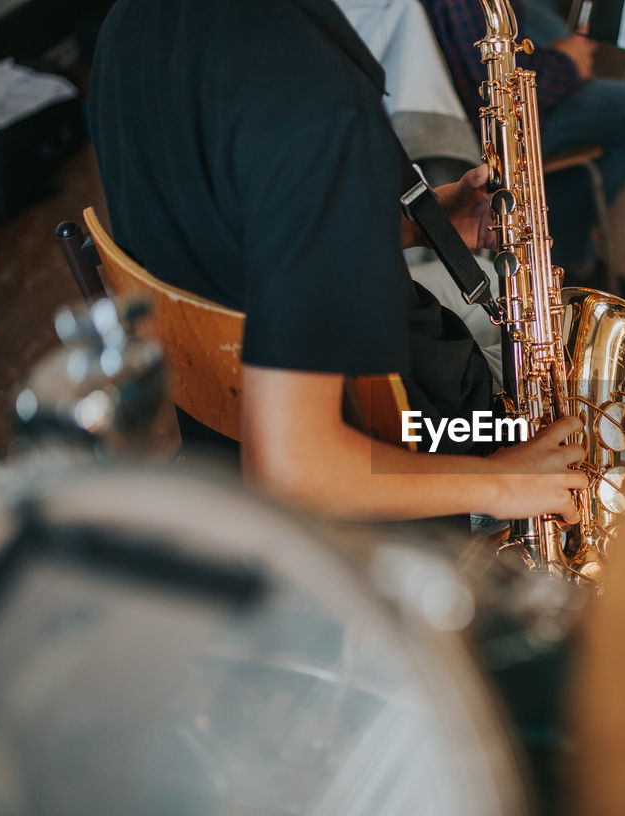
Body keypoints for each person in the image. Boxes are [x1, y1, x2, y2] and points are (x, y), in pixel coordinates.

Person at [89, 0, 587, 525]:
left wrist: (413, 224)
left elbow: (227, 232)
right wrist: (503, 485)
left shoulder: (128, 24)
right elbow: (295, 470)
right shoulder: (318, 99)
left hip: (218, 441)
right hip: (410, 442)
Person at [420, 0, 625, 291]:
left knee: (553, 25)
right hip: (472, 118)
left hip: (465, 46)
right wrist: (567, 63)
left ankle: (556, 232)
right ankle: (563, 263)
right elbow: (492, 92)